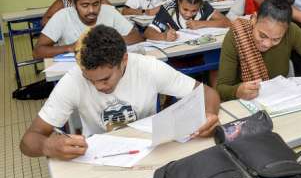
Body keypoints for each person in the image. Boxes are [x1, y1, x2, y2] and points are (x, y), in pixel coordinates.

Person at [20, 25, 220, 160]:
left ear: (124, 60)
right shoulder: (73, 81)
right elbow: (28, 140)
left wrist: (209, 115)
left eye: (105, 79)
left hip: (149, 149)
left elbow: (208, 93)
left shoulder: (147, 68)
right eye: (91, 80)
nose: (99, 87)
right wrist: (47, 146)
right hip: (100, 157)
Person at [33, 0, 143, 59]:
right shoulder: (62, 16)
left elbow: (137, 36)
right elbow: (37, 51)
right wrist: (69, 48)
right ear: (74, 5)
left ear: (100, 0)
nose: (91, 10)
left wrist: (108, 42)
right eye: (85, 5)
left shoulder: (109, 11)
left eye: (96, 4)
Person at [144, 0, 230, 41]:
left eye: (194, 11)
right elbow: (148, 32)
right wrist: (164, 36)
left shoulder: (204, 7)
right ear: (178, 2)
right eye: (185, 9)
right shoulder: (168, 9)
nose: (188, 14)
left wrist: (202, 23)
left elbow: (227, 22)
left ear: (200, 5)